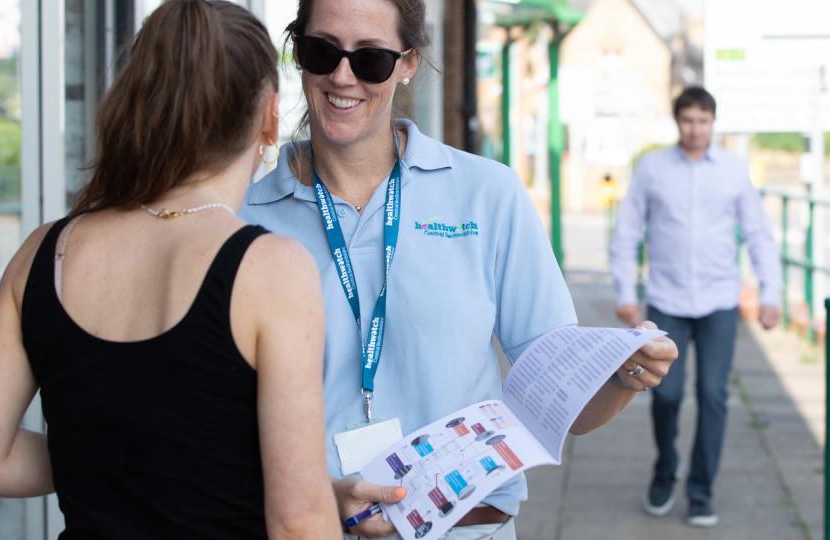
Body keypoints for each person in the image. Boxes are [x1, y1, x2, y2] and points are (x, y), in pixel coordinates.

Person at [240, 0, 679, 537]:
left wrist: (623, 376)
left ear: (409, 64)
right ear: (297, 54)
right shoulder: (244, 217)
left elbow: (557, 408)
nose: (342, 76)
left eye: (371, 59)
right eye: (320, 52)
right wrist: (318, 498)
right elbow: (210, 430)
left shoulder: (485, 194)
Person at [0, 2, 341, 537]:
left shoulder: (44, 252)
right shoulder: (271, 269)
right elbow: (297, 522)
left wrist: (117, 463)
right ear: (271, 117)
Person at [609, 86, 783, 527]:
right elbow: (628, 231)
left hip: (719, 301)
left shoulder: (733, 170)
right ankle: (666, 467)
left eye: (703, 121)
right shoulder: (652, 169)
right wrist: (625, 293)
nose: (695, 129)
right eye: (688, 120)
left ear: (713, 123)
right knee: (664, 393)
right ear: (678, 121)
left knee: (713, 396)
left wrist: (771, 293)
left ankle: (701, 490)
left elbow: (758, 232)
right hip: (666, 301)